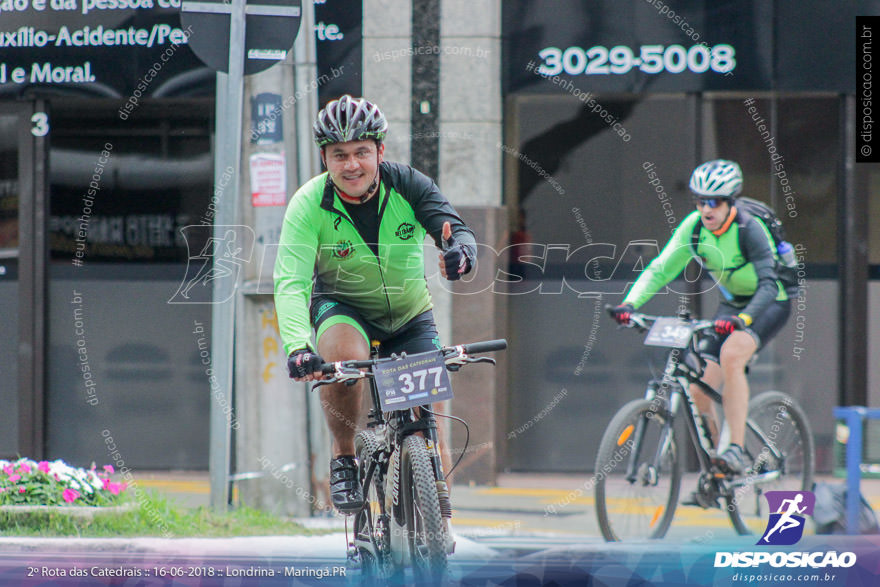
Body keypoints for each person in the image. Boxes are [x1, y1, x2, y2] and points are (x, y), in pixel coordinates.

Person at [273, 95, 477, 514]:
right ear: (325, 158)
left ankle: (435, 530)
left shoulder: (409, 184)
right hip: (342, 307)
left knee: (428, 427)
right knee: (345, 359)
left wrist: (460, 254)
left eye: (361, 152)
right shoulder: (308, 204)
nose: (351, 165)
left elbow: (456, 231)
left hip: (408, 315)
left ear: (380, 152)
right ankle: (345, 455)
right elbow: (290, 281)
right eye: (339, 154)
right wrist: (297, 346)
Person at [611, 159, 794, 478]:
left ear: (730, 202)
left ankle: (736, 449)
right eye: (700, 201)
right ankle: (718, 470)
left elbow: (768, 284)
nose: (706, 209)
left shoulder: (750, 229)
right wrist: (630, 304)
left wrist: (746, 320)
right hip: (732, 305)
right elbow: (661, 269)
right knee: (699, 391)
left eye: (715, 202)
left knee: (732, 355)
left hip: (768, 303)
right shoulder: (694, 227)